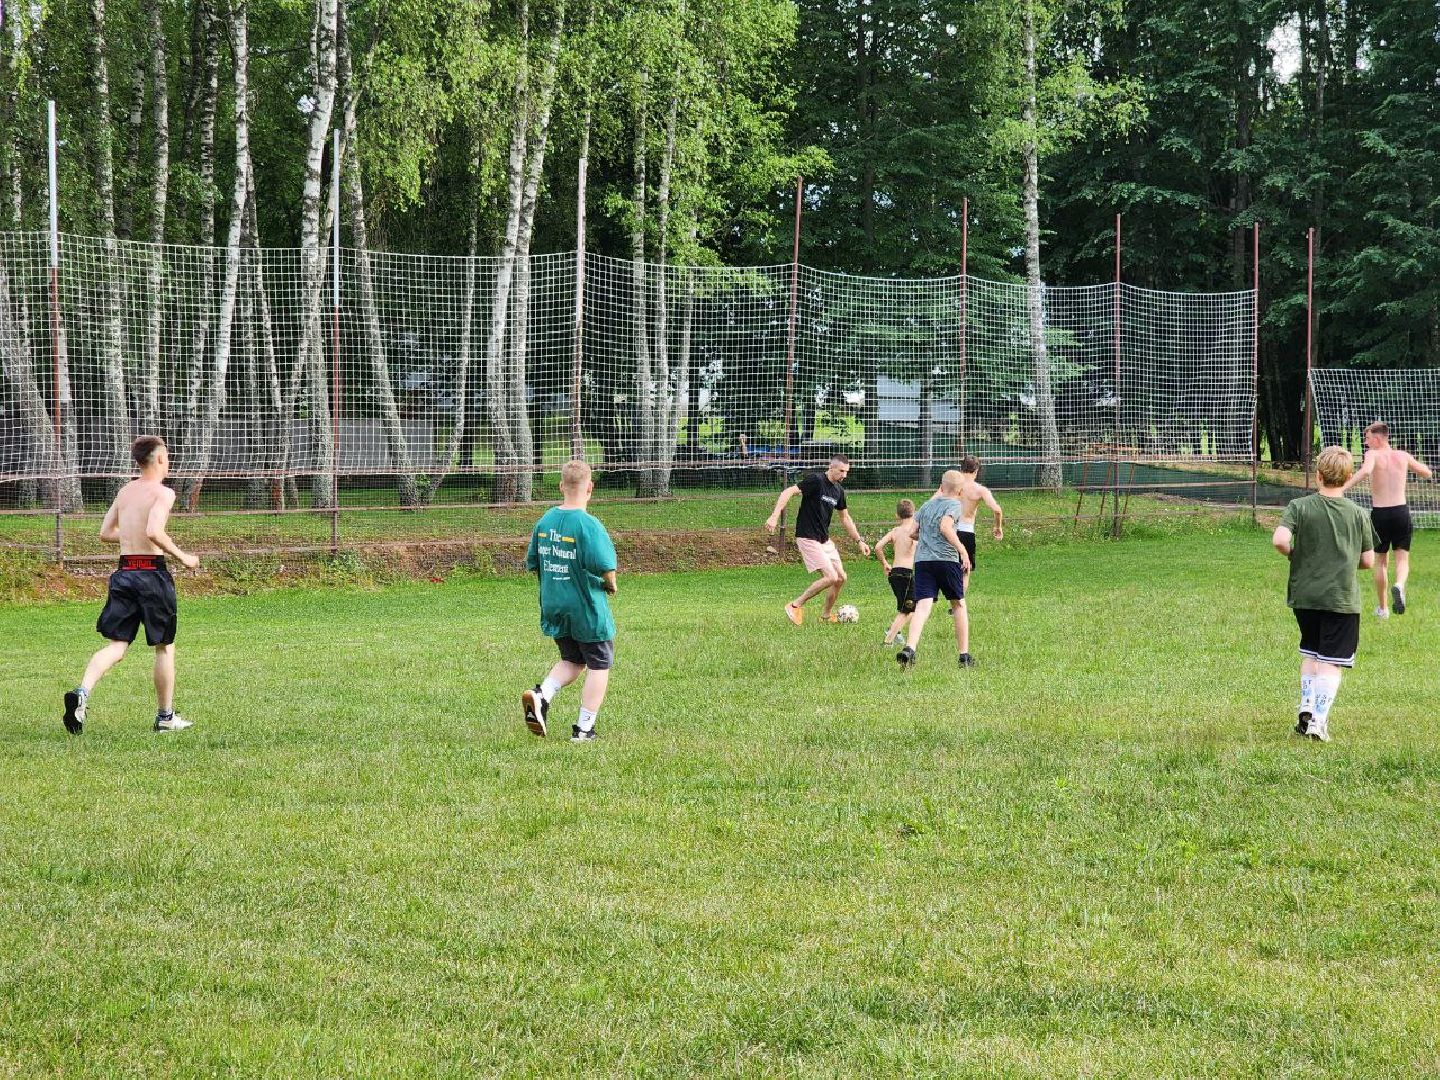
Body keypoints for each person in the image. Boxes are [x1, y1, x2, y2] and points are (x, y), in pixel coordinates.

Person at [62, 435, 200, 735]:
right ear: (160, 459)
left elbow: (105, 532)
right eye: (167, 456)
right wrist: (184, 557)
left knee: (117, 646)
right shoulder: (163, 494)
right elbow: (154, 531)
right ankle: (165, 717)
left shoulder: (125, 492)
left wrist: (131, 537)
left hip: (124, 573)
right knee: (164, 646)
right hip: (152, 574)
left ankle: (82, 694)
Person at [1273, 445, 1375, 743]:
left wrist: (1295, 555)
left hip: (1304, 597)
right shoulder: (1358, 514)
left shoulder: (1299, 506)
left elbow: (1279, 539)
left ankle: (1305, 705)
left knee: (1311, 652)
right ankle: (1318, 721)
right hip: (1340, 599)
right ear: (1347, 477)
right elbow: (1368, 561)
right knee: (1331, 661)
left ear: (1318, 475)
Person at [521, 460, 618, 743]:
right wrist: (610, 586)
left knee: (572, 660)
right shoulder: (588, 524)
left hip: (554, 604)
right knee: (600, 663)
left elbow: (533, 563)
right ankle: (584, 730)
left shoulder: (545, 521)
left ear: (561, 486)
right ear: (590, 488)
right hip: (584, 606)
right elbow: (606, 567)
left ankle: (542, 695)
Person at [764, 453, 871, 625]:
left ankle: (826, 616)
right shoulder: (816, 481)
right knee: (830, 576)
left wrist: (859, 541)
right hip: (807, 536)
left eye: (847, 472)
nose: (844, 475)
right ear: (831, 467)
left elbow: (845, 518)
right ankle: (795, 605)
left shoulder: (838, 491)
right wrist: (774, 516)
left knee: (841, 578)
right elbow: (789, 491)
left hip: (824, 540)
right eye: (841, 471)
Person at [1340, 421, 1432, 617]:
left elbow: (1365, 471)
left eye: (1367, 438)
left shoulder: (1372, 455)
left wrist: (1342, 488)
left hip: (1380, 514)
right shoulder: (1402, 456)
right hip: (1401, 512)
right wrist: (1419, 467)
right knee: (1402, 558)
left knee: (1381, 562)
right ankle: (1399, 585)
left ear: (1378, 437)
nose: (1366, 443)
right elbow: (1427, 472)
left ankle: (1383, 609)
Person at [896, 470, 974, 670]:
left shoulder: (926, 505)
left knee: (922, 606)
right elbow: (946, 527)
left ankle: (910, 648)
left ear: (941, 486)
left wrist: (926, 538)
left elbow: (913, 532)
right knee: (958, 604)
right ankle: (964, 656)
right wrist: (963, 551)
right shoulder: (955, 505)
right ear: (960, 491)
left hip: (923, 562)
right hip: (946, 560)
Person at [954, 456, 1004, 592]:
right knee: (964, 569)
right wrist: (998, 527)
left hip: (949, 530)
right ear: (976, 470)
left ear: (961, 468)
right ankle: (958, 604)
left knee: (948, 567)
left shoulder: (951, 485)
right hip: (966, 531)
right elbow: (997, 510)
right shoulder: (980, 490)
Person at [875, 499, 918, 648]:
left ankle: (894, 629)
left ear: (897, 515)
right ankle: (888, 640)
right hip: (906, 575)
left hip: (894, 574)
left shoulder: (894, 531)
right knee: (908, 610)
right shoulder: (915, 532)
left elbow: (878, 547)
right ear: (914, 513)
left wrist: (885, 564)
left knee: (912, 608)